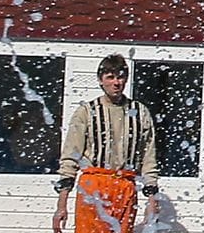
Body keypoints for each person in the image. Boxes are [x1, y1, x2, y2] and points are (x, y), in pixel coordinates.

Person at [53, 54, 160, 233]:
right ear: (101, 80)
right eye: (110, 77)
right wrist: (61, 205)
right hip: (94, 185)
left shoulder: (139, 112)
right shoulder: (87, 112)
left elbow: (149, 158)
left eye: (120, 77)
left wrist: (152, 200)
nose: (116, 83)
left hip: (125, 185)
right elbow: (70, 157)